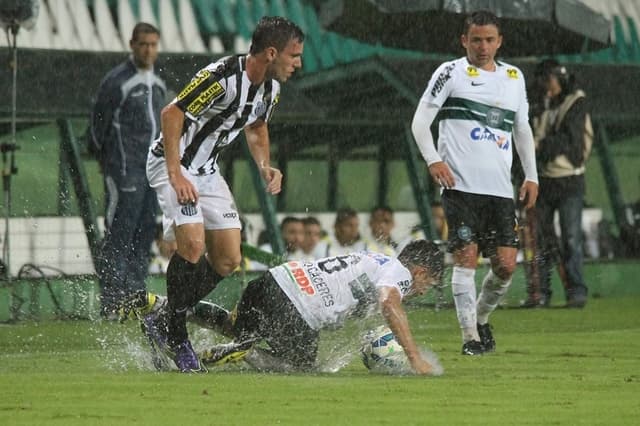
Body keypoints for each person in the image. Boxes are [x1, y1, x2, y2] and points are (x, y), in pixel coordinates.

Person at [143, 17, 304, 372]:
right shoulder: (223, 77)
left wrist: (265, 165)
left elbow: (258, 127)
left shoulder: (270, 90)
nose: (298, 64)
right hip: (173, 164)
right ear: (272, 52)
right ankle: (178, 336)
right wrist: (175, 173)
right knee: (192, 247)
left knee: (229, 260)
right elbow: (172, 114)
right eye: (294, 56)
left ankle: (163, 319)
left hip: (208, 172)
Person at [411, 10, 538, 355]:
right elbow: (420, 123)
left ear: (500, 42)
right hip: (460, 187)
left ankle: (480, 319)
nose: (483, 47)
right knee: (466, 258)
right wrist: (433, 160)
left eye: (489, 40)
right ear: (464, 40)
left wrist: (531, 175)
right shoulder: (450, 72)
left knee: (506, 265)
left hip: (499, 190)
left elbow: (522, 129)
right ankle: (469, 338)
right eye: (476, 39)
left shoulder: (514, 77)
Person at [137, 240, 444, 374]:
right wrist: (415, 358)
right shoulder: (400, 274)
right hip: (297, 307)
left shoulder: (377, 258)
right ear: (419, 272)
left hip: (272, 281)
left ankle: (164, 305)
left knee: (235, 323)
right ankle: (245, 351)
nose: (423, 290)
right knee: (303, 368)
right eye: (428, 283)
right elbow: (389, 303)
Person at [90, 22, 167, 319]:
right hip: (124, 171)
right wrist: (109, 163)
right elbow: (98, 126)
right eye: (143, 44)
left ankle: (135, 300)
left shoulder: (158, 83)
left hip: (151, 172)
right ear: (132, 45)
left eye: (153, 44)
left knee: (144, 234)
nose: (149, 50)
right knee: (119, 235)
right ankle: (111, 302)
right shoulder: (116, 81)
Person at [531, 59, 593, 308]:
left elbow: (568, 140)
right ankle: (541, 292)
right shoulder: (541, 104)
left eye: (550, 80)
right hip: (545, 179)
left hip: (570, 179)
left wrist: (539, 147)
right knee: (542, 240)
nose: (547, 85)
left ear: (560, 78)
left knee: (571, 238)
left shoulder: (576, 102)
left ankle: (576, 290)